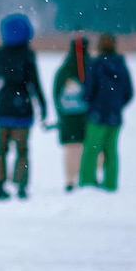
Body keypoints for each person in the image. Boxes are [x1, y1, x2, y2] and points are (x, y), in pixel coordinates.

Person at [0, 13, 47, 200]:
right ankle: (21, 185)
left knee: (1, 149)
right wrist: (43, 105)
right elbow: (35, 83)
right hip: (22, 106)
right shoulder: (28, 54)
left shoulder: (0, 53)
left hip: (3, 105)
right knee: (22, 150)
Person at [79, 33, 134, 191]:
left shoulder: (95, 64)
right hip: (114, 117)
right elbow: (129, 92)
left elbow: (88, 91)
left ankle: (87, 182)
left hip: (96, 115)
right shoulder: (121, 65)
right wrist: (116, 106)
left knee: (91, 150)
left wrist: (90, 102)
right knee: (111, 152)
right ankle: (111, 184)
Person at [52, 34, 91, 191]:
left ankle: (70, 180)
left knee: (71, 149)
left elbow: (56, 93)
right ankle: (87, 177)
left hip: (68, 117)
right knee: (89, 147)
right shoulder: (90, 66)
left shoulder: (64, 69)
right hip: (87, 117)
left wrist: (61, 114)